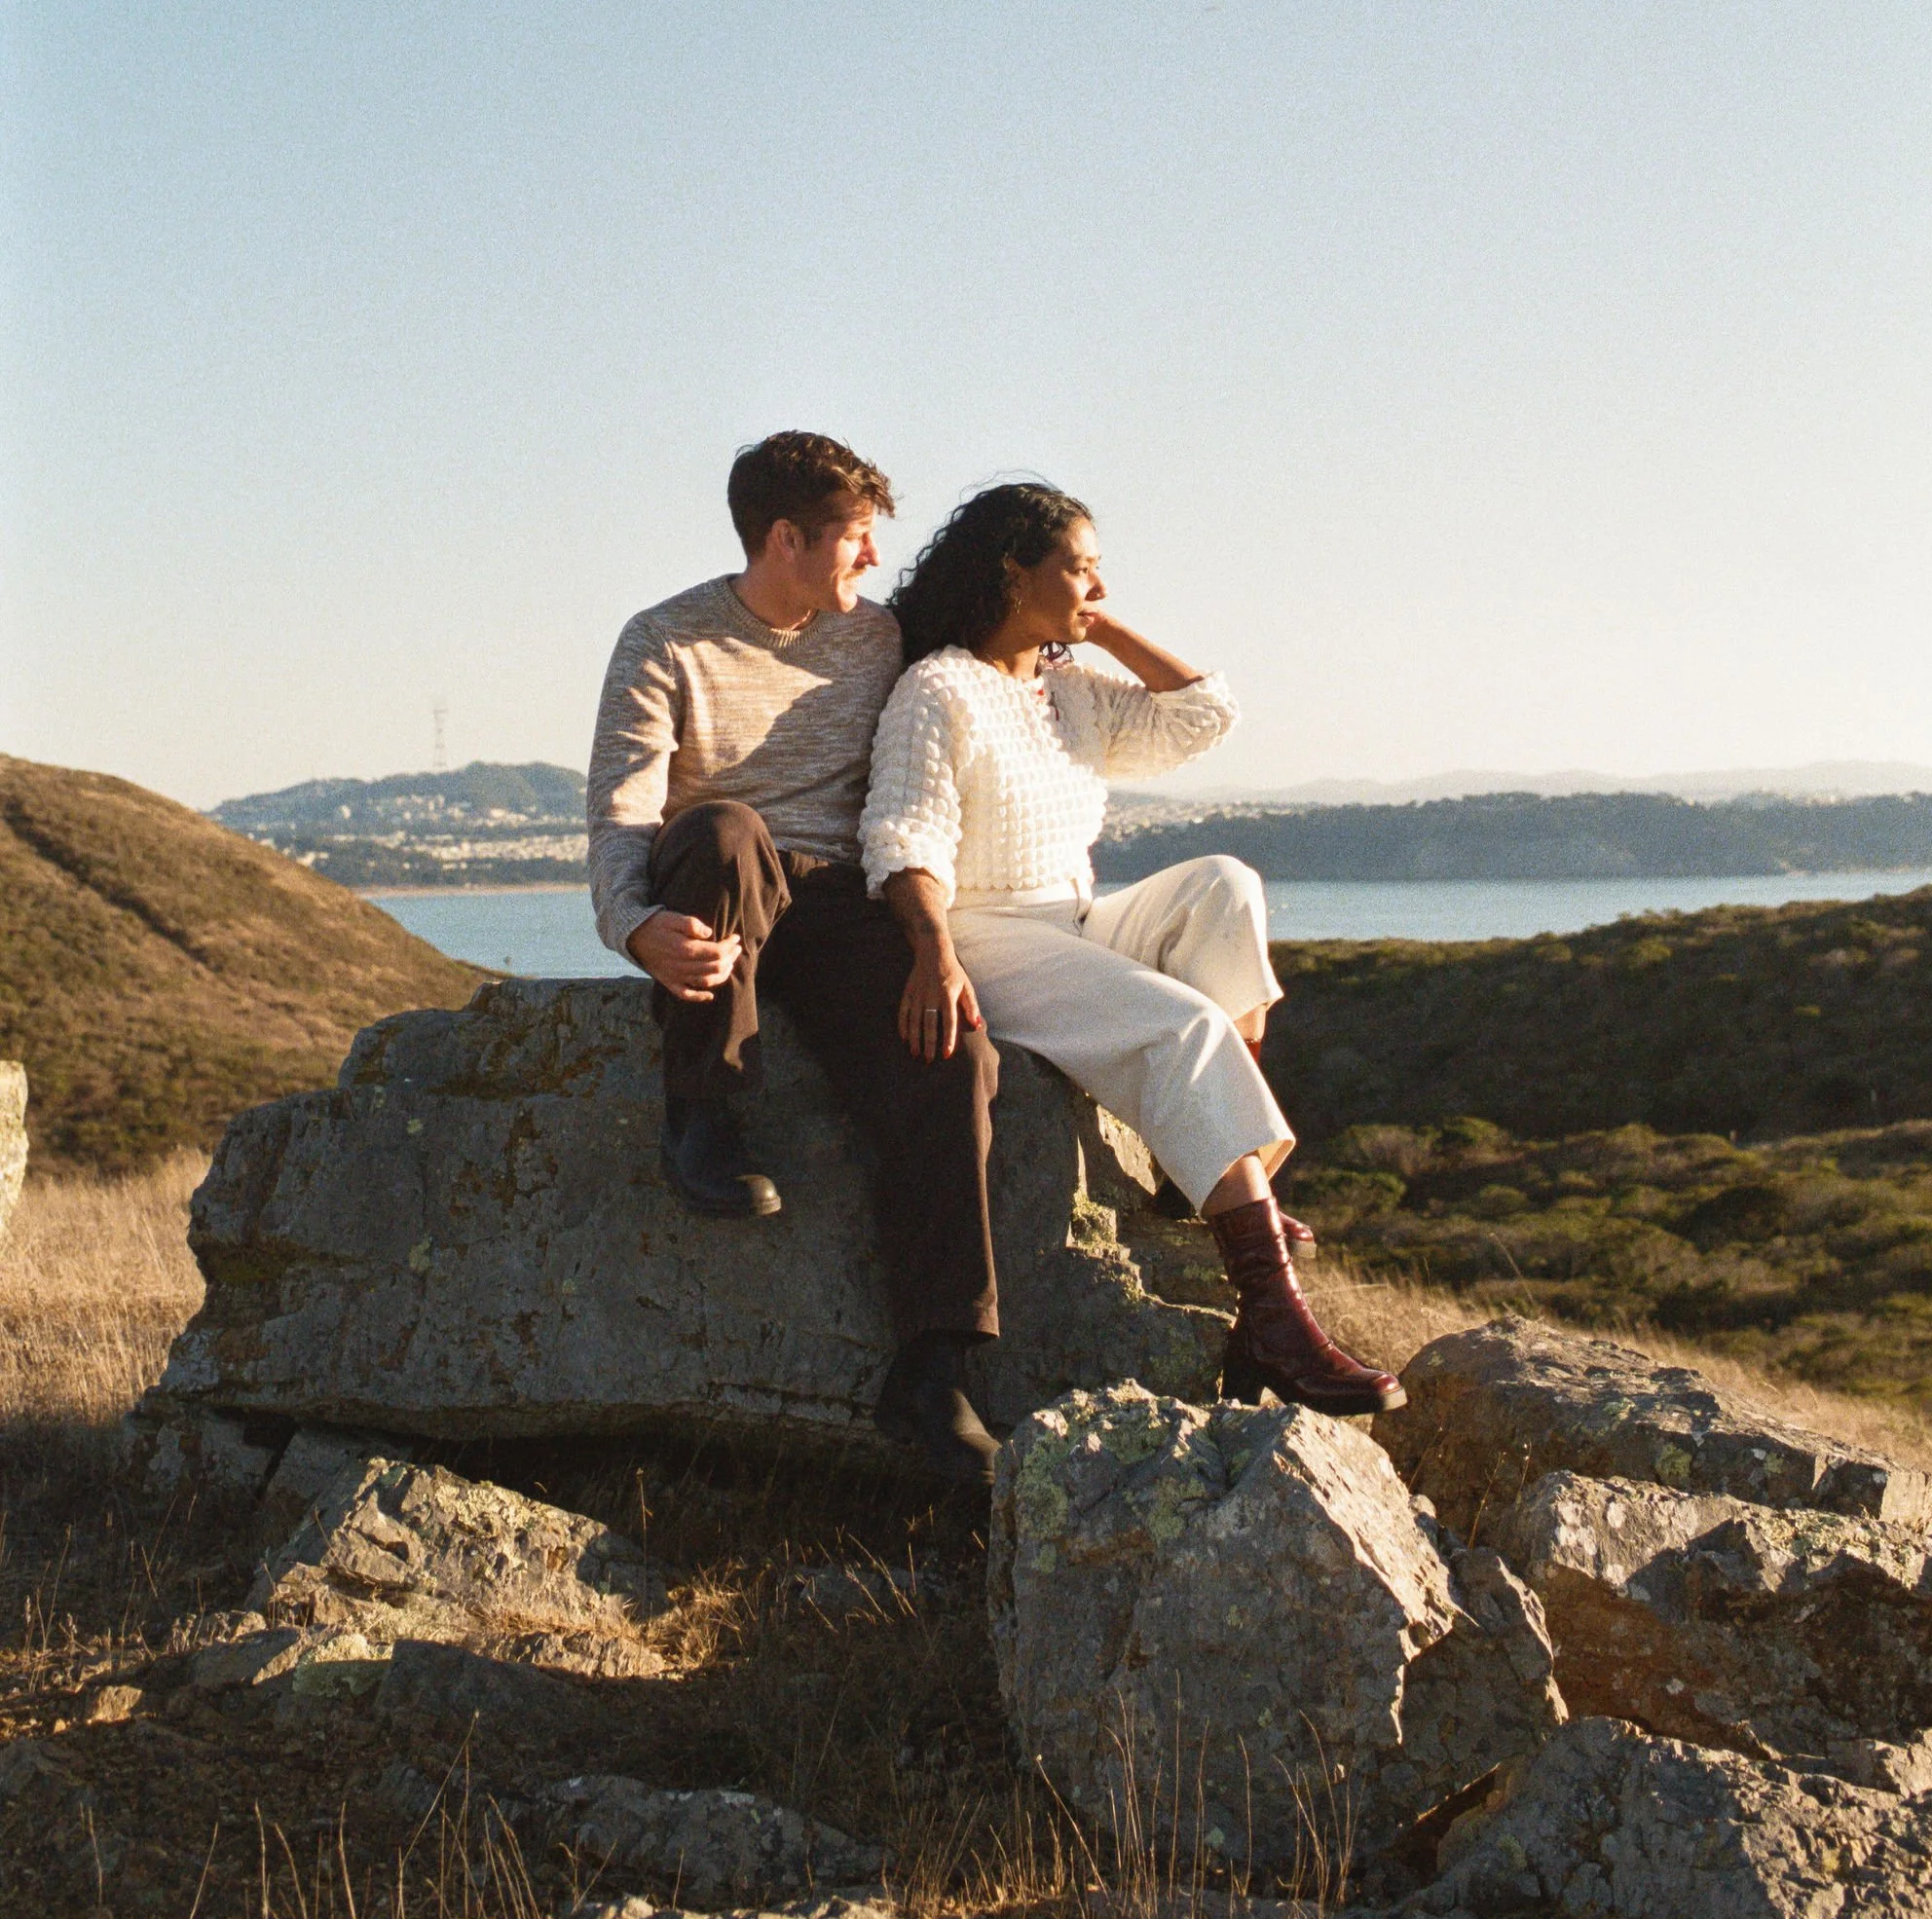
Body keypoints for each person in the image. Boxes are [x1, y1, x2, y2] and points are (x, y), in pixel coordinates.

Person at [859, 481, 1406, 1420]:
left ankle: (1222, 1178)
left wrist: (1099, 629)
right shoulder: (937, 688)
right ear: (1012, 572)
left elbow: (1203, 713)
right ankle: (1274, 1319)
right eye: (1080, 567)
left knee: (1225, 885)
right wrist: (933, 952)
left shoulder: (1068, 690)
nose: (1099, 584)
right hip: (986, 934)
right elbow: (902, 837)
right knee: (1184, 1024)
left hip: (1074, 916)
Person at [586, 430, 1005, 1484]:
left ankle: (933, 1368)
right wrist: (633, 924)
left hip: (842, 901)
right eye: (855, 537)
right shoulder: (665, 640)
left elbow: (982, 692)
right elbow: (623, 813)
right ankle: (702, 1109)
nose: (872, 558)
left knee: (953, 1053)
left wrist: (931, 944)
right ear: (786, 538)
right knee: (727, 829)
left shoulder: (880, 638)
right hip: (722, 881)